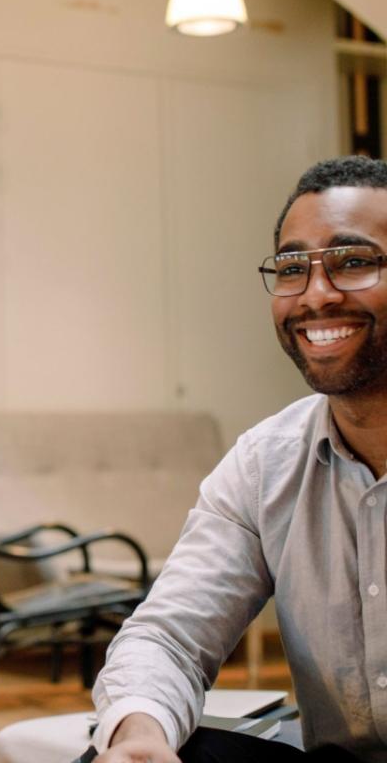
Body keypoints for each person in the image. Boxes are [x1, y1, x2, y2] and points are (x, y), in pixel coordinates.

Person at [91, 156, 387, 763]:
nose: (316, 295)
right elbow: (169, 638)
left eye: (353, 263)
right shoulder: (265, 464)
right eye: (291, 269)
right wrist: (140, 733)